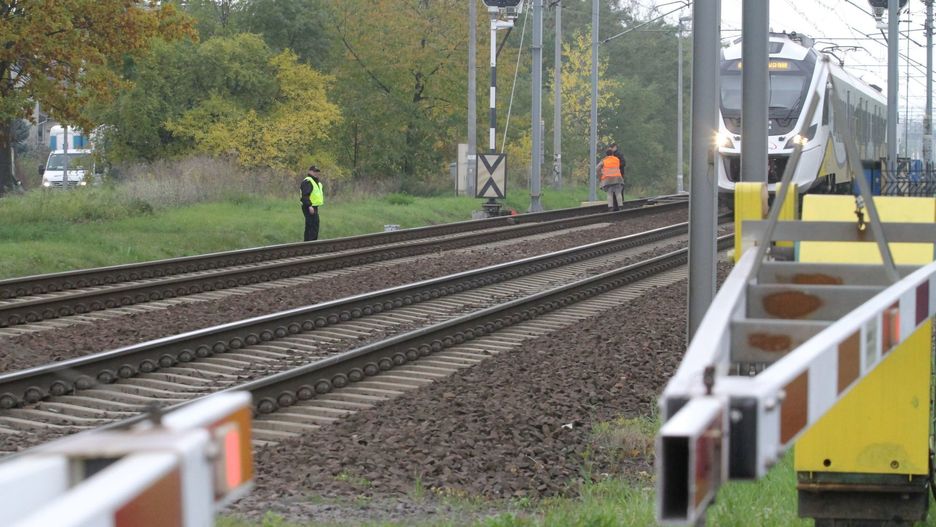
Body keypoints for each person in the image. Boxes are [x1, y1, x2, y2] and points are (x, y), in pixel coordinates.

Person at [300, 165, 324, 241]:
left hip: (314, 207)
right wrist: (309, 206)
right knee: (313, 225)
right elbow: (305, 195)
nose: (316, 173)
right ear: (309, 171)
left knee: (311, 225)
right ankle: (311, 244)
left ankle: (308, 244)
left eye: (317, 171)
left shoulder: (316, 182)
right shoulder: (308, 181)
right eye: (314, 171)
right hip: (309, 207)